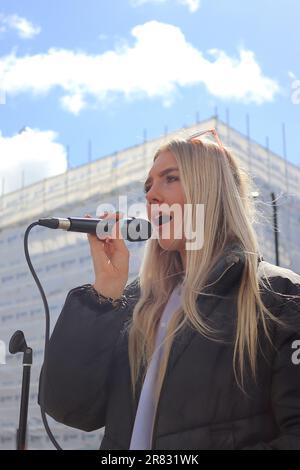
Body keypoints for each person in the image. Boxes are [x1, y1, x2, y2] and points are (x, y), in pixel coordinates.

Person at [39, 129, 300, 450]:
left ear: (211, 190)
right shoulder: (137, 303)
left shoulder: (279, 296)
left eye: (170, 178)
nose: (150, 195)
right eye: (148, 186)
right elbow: (69, 406)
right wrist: (104, 293)